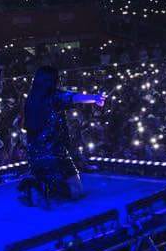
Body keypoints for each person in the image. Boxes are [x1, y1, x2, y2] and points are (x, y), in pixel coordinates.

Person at [21, 66, 105, 205]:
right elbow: (73, 97)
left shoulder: (31, 98)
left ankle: (37, 184)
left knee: (48, 175)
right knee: (76, 191)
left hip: (34, 151)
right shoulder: (53, 96)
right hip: (55, 150)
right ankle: (42, 188)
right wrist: (95, 98)